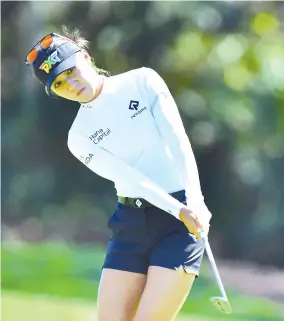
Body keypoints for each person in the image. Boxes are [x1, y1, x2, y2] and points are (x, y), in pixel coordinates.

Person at [24, 26, 212, 321]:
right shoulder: (79, 138)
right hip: (132, 223)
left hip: (182, 221)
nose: (70, 84)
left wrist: (194, 202)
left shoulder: (142, 81)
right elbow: (129, 178)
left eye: (71, 71)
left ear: (84, 57)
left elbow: (178, 140)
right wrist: (177, 208)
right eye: (59, 84)